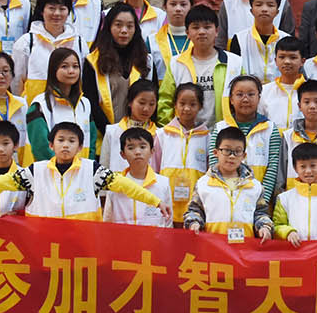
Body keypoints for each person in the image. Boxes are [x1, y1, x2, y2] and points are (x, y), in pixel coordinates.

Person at [0, 121, 164, 220]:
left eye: (72, 141)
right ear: (51, 145)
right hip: (43, 246)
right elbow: (0, 183)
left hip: (82, 247)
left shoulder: (93, 171)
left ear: (80, 147)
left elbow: (125, 185)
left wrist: (155, 201)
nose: (66, 145)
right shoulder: (35, 171)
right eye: (61, 140)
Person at [181, 127, 272, 240]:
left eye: (237, 151)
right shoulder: (203, 184)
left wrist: (264, 227)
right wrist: (194, 223)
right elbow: (194, 211)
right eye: (227, 150)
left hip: (245, 246)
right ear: (216, 153)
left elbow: (261, 213)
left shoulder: (255, 186)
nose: (232, 156)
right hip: (213, 245)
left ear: (244, 156)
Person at [161, 5, 244, 123]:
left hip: (224, 131)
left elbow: (243, 98)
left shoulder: (234, 62)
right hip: (185, 132)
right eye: (195, 27)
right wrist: (171, 130)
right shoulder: (176, 63)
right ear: (187, 33)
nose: (201, 32)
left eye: (207, 27)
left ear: (216, 31)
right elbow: (165, 102)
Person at [24, 47, 105, 160]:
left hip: (82, 168)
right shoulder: (40, 104)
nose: (71, 71)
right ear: (53, 70)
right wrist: (61, 168)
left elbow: (91, 142)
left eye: (75, 66)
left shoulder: (85, 103)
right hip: (50, 169)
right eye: (64, 66)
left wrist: (87, 166)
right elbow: (40, 148)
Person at [212, 75, 283, 200]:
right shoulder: (220, 128)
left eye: (251, 94)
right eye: (239, 94)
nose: (245, 99)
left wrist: (262, 201)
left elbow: (273, 169)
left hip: (259, 201)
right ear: (231, 99)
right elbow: (214, 165)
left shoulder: (270, 129)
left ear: (259, 98)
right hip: (225, 199)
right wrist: (225, 198)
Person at [86, 3, 158, 125]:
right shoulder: (93, 61)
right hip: (104, 132)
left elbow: (154, 101)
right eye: (118, 25)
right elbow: (91, 103)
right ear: (109, 27)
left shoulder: (147, 61)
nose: (124, 31)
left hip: (140, 132)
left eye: (129, 26)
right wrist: (110, 131)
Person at [154, 83, 213, 224]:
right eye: (182, 103)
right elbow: (153, 169)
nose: (186, 108)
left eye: (192, 104)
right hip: (165, 203)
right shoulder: (162, 135)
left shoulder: (207, 137)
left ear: (200, 106)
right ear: (175, 104)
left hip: (195, 205)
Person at [16, 0, 86, 99]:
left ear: (68, 12)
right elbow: (17, 80)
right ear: (42, 11)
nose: (57, 13)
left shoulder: (79, 42)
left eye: (62, 9)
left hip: (69, 104)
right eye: (51, 8)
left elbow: (83, 78)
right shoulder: (26, 42)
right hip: (34, 106)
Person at [103, 126, 171, 227]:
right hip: (121, 236)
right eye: (131, 148)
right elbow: (107, 220)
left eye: (142, 147)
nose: (138, 152)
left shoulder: (163, 183)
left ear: (152, 151)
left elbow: (168, 221)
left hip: (154, 237)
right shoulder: (115, 184)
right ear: (122, 154)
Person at [99, 80, 162, 172]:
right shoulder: (112, 132)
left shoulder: (160, 135)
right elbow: (104, 167)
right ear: (130, 102)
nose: (146, 109)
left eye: (151, 104)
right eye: (142, 103)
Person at [229, 0, 288, 82]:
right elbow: (234, 73)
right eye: (259, 4)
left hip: (279, 90)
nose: (264, 9)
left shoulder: (286, 39)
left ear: (277, 12)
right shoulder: (239, 39)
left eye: (270, 5)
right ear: (251, 10)